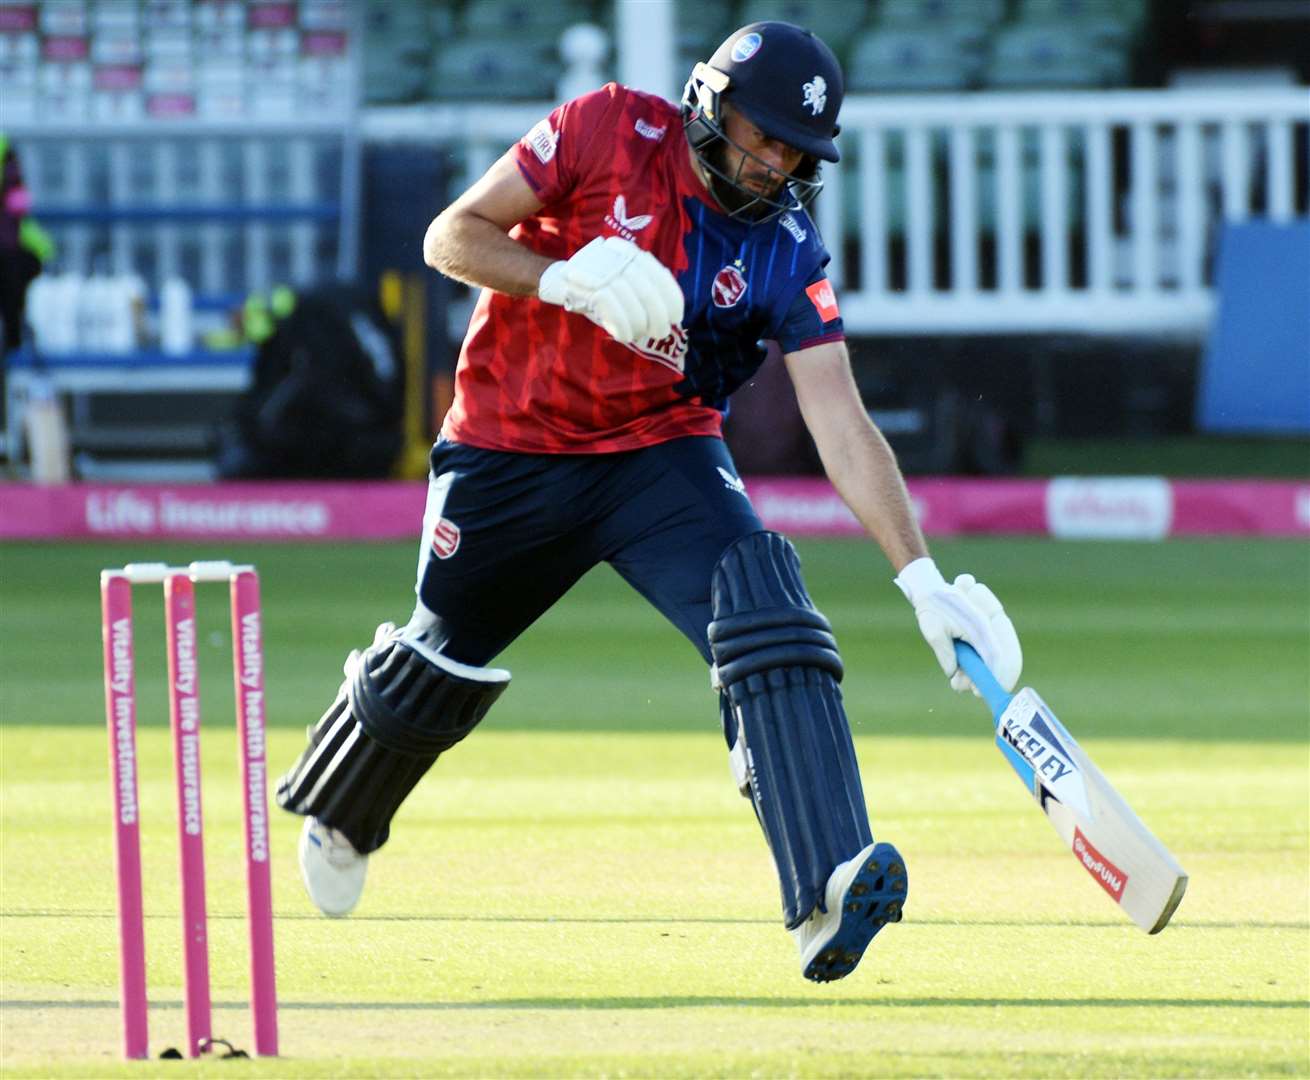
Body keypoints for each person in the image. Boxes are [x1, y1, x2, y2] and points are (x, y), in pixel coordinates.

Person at [276, 21, 1023, 983]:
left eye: (794, 150)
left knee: (768, 604)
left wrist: (922, 578)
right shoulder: (605, 130)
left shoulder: (787, 248)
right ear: (709, 105)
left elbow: (839, 418)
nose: (772, 162)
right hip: (509, 444)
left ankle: (826, 886)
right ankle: (344, 808)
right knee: (439, 655)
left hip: (658, 454)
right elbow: (449, 237)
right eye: (758, 134)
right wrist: (562, 279)